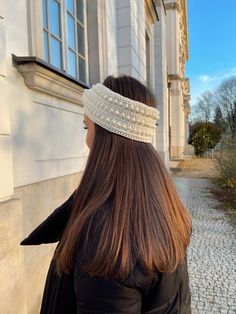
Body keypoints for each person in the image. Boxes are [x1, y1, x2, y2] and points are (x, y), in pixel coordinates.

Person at [21, 75, 192, 314]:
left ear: (105, 136)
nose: (86, 140)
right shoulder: (164, 203)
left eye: (87, 126)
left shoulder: (108, 239)